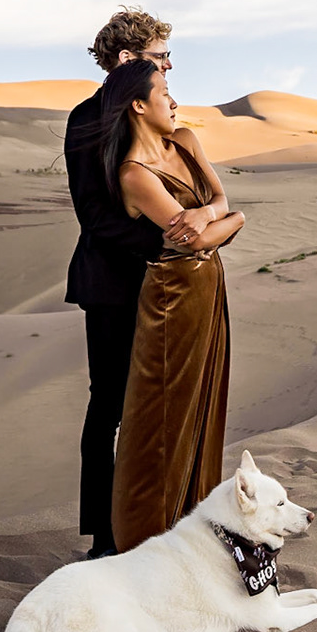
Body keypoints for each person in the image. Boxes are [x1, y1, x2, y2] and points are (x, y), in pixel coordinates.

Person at [98, 58, 246, 552]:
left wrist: (218, 214)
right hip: (172, 297)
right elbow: (190, 245)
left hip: (208, 292)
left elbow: (219, 206)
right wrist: (234, 222)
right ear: (139, 104)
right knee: (160, 417)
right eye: (164, 91)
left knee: (203, 405)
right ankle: (144, 544)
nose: (175, 100)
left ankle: (196, 532)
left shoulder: (186, 141)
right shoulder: (133, 174)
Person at [63, 9, 176, 559]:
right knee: (108, 405)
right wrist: (165, 246)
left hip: (167, 286)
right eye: (160, 55)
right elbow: (94, 215)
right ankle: (105, 539)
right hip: (111, 285)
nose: (170, 64)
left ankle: (153, 521)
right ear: (129, 59)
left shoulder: (157, 113)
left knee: (156, 407)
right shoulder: (87, 117)